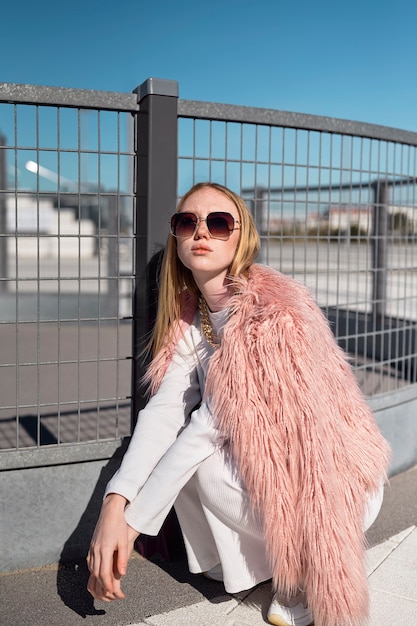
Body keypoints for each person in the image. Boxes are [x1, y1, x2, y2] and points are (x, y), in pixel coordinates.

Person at [87, 182, 390, 626]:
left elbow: (206, 429)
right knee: (184, 443)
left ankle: (301, 572)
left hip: (333, 484)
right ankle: (261, 562)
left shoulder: (272, 315)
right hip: (277, 470)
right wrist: (115, 501)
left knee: (199, 455)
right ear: (176, 237)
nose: (201, 232)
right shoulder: (194, 314)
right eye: (187, 222)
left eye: (219, 222)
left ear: (241, 235)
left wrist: (128, 526)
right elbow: (166, 409)